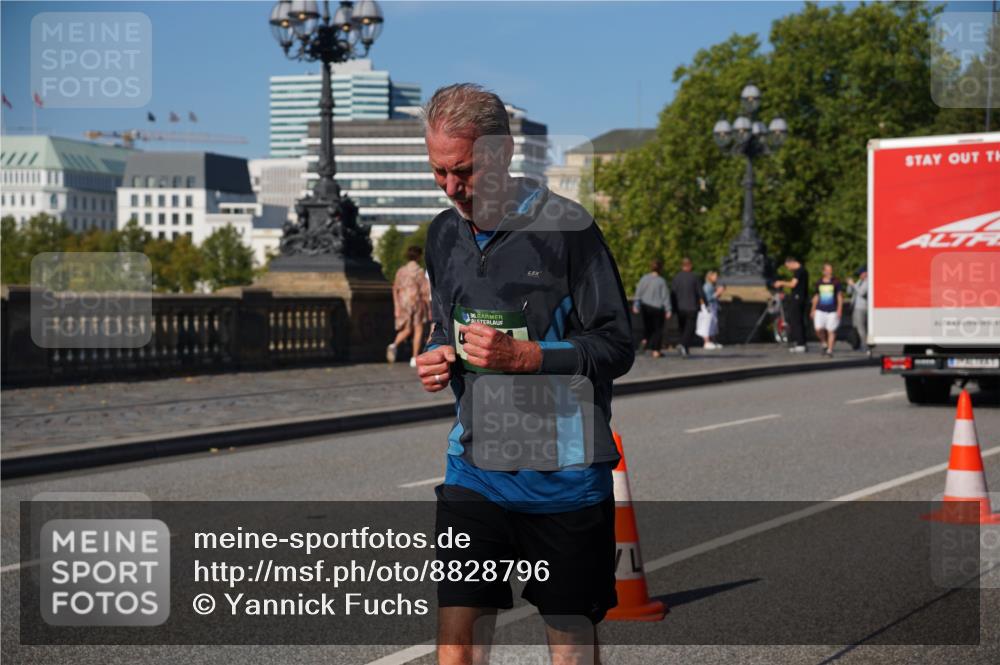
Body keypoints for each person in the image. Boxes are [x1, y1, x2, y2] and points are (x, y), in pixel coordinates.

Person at [414, 83, 634, 665]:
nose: (451, 188)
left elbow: (616, 346)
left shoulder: (569, 229)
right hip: (474, 471)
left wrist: (528, 357)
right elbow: (442, 322)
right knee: (456, 643)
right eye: (439, 172)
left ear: (503, 153)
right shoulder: (442, 233)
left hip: (564, 479)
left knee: (569, 646)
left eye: (463, 171)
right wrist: (437, 352)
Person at [387, 246, 432, 367]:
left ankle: (394, 345)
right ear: (419, 256)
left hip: (403, 301)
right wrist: (429, 308)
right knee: (418, 329)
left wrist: (397, 306)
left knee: (407, 329)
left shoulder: (401, 271)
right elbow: (425, 291)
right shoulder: (419, 271)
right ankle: (414, 357)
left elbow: (395, 288)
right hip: (416, 301)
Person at [632, 259, 672, 358]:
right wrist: (668, 309)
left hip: (646, 307)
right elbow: (665, 296)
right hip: (657, 308)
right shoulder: (661, 281)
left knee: (648, 326)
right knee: (658, 330)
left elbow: (638, 293)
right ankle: (656, 351)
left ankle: (645, 340)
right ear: (661, 269)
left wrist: (636, 305)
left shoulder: (644, 279)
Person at [773, 256, 809, 352]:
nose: (788, 269)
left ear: (791, 262)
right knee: (798, 320)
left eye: (788, 266)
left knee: (796, 320)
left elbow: (793, 284)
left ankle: (800, 343)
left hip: (798, 298)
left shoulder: (799, 271)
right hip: (800, 298)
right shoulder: (803, 270)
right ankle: (801, 343)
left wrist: (781, 283)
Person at [670, 257, 704, 356]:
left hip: (680, 308)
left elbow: (672, 294)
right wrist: (705, 303)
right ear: (690, 266)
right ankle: (683, 344)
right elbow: (700, 292)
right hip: (692, 307)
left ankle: (685, 348)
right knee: (690, 329)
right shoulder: (694, 277)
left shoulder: (676, 278)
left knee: (682, 328)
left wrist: (673, 307)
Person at [810, 262, 843, 357]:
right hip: (820, 309)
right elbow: (816, 296)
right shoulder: (819, 282)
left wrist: (839, 309)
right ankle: (824, 343)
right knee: (818, 329)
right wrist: (812, 309)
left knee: (831, 330)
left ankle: (830, 350)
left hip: (832, 310)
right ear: (823, 271)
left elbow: (839, 296)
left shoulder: (836, 282)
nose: (829, 272)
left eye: (831, 270)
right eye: (827, 270)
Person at [697, 270, 725, 349]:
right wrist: (717, 293)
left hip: (712, 306)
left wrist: (718, 293)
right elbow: (707, 298)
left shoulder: (711, 285)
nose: (716, 278)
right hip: (708, 307)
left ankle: (712, 341)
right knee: (707, 324)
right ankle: (706, 342)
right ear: (710, 276)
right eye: (715, 276)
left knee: (713, 324)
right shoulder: (707, 286)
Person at [847, 265, 870, 355]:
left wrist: (853, 284)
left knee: (861, 328)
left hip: (862, 307)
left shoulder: (868, 281)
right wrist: (850, 285)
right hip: (855, 307)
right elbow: (850, 292)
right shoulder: (859, 281)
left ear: (865, 273)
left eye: (861, 273)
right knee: (856, 327)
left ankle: (865, 346)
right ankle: (857, 344)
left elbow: (861, 292)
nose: (859, 275)